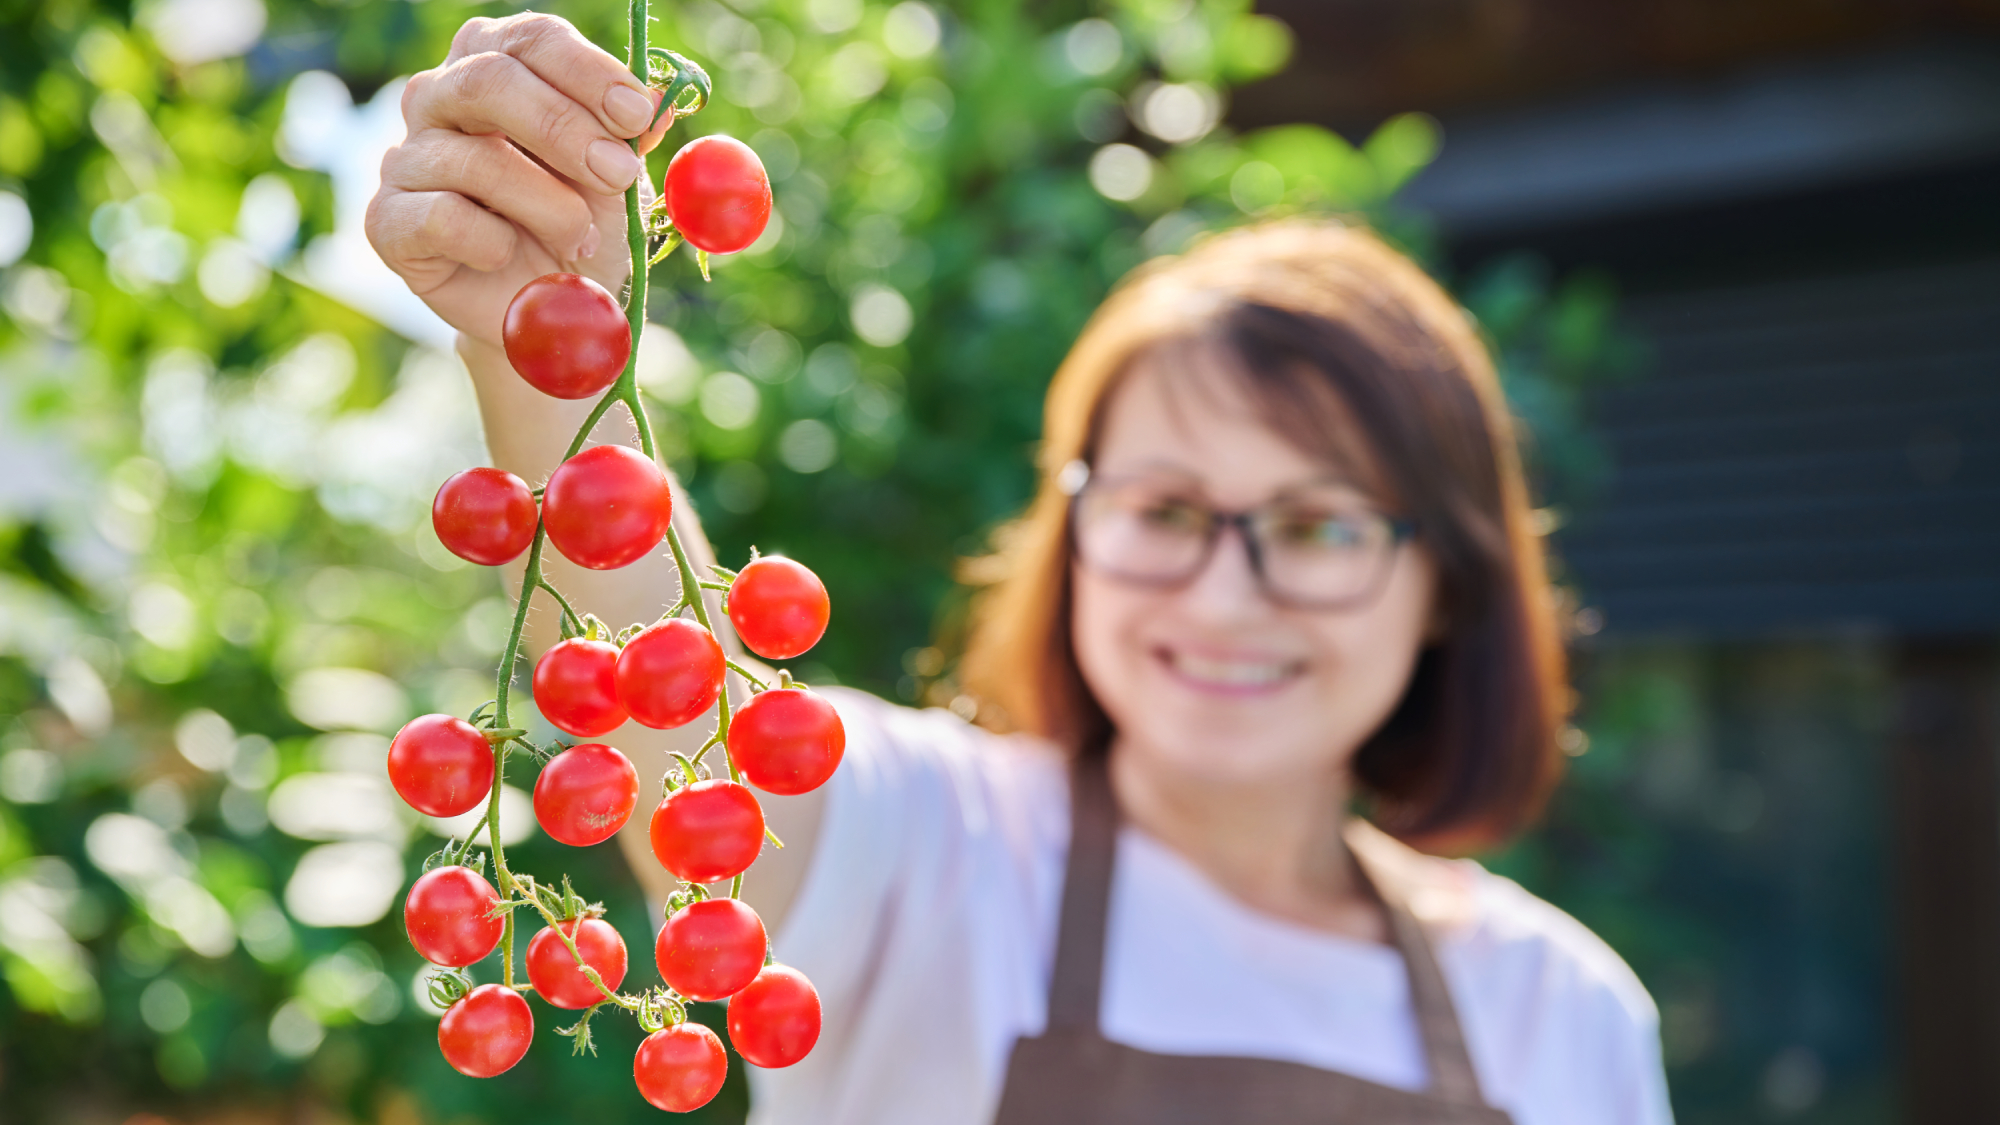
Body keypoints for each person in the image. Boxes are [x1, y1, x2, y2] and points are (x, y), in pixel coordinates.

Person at [367, 14, 1674, 1125]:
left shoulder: (1558, 1013)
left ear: (1445, 577)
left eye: (1319, 526)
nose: (1225, 594)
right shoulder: (933, 853)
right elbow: (660, 677)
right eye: (1166, 510)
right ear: (1072, 533)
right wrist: (542, 335)